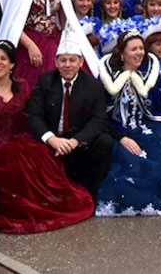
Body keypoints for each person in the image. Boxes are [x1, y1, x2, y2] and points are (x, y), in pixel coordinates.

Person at [0, 42, 96, 232]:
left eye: (3, 59)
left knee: (43, 166)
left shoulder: (23, 86)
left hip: (21, 141)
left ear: (12, 64)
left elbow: (34, 116)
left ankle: (49, 206)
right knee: (12, 170)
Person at [93, 30, 161, 216]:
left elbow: (155, 110)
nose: (139, 53)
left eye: (141, 48)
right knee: (127, 157)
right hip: (116, 130)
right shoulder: (107, 78)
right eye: (133, 49)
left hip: (142, 126)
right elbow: (99, 116)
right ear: (122, 53)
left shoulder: (148, 75)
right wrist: (122, 137)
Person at [24, 46, 117, 193]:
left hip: (79, 142)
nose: (68, 65)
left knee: (105, 142)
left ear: (80, 62)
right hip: (52, 140)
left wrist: (75, 141)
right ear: (56, 62)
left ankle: (90, 193)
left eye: (72, 60)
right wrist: (51, 139)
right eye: (63, 60)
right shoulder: (45, 81)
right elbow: (33, 115)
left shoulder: (93, 86)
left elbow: (99, 119)